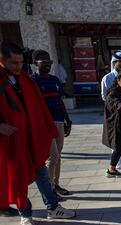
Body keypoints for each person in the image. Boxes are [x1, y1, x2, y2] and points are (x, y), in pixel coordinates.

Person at [0, 42, 75, 225]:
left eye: (20, 62)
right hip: (10, 140)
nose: (18, 67)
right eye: (14, 63)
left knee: (41, 172)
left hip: (31, 135)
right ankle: (25, 214)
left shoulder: (24, 79)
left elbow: (37, 105)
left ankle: (53, 207)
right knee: (17, 177)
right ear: (2, 60)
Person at [31, 50, 72, 198]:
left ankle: (55, 184)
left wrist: (67, 120)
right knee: (52, 156)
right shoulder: (32, 81)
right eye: (44, 62)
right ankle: (48, 190)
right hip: (43, 123)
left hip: (58, 120)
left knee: (58, 155)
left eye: (50, 62)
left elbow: (60, 101)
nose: (48, 64)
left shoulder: (54, 80)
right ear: (35, 63)